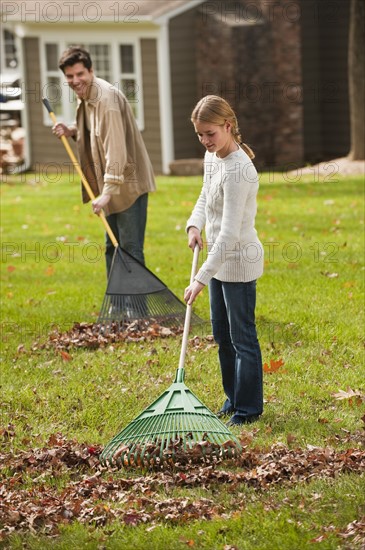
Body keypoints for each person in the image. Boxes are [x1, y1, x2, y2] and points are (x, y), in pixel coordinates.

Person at [184, 95, 264, 426]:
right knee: (221, 334)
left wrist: (200, 278)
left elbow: (231, 234)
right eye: (200, 135)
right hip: (218, 260)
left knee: (242, 337)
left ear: (227, 126)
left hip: (239, 261)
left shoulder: (240, 169)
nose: (205, 141)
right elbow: (205, 196)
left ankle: (249, 409)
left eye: (210, 134)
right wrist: (194, 224)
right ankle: (233, 397)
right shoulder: (212, 157)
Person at [52, 46, 156, 274]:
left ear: (91, 70)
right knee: (112, 247)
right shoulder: (86, 97)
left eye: (80, 74)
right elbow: (95, 136)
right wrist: (72, 130)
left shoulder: (105, 100)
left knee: (129, 248)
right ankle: (118, 305)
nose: (75, 80)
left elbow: (115, 149)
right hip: (110, 183)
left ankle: (136, 308)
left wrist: (107, 192)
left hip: (127, 184)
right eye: (69, 76)